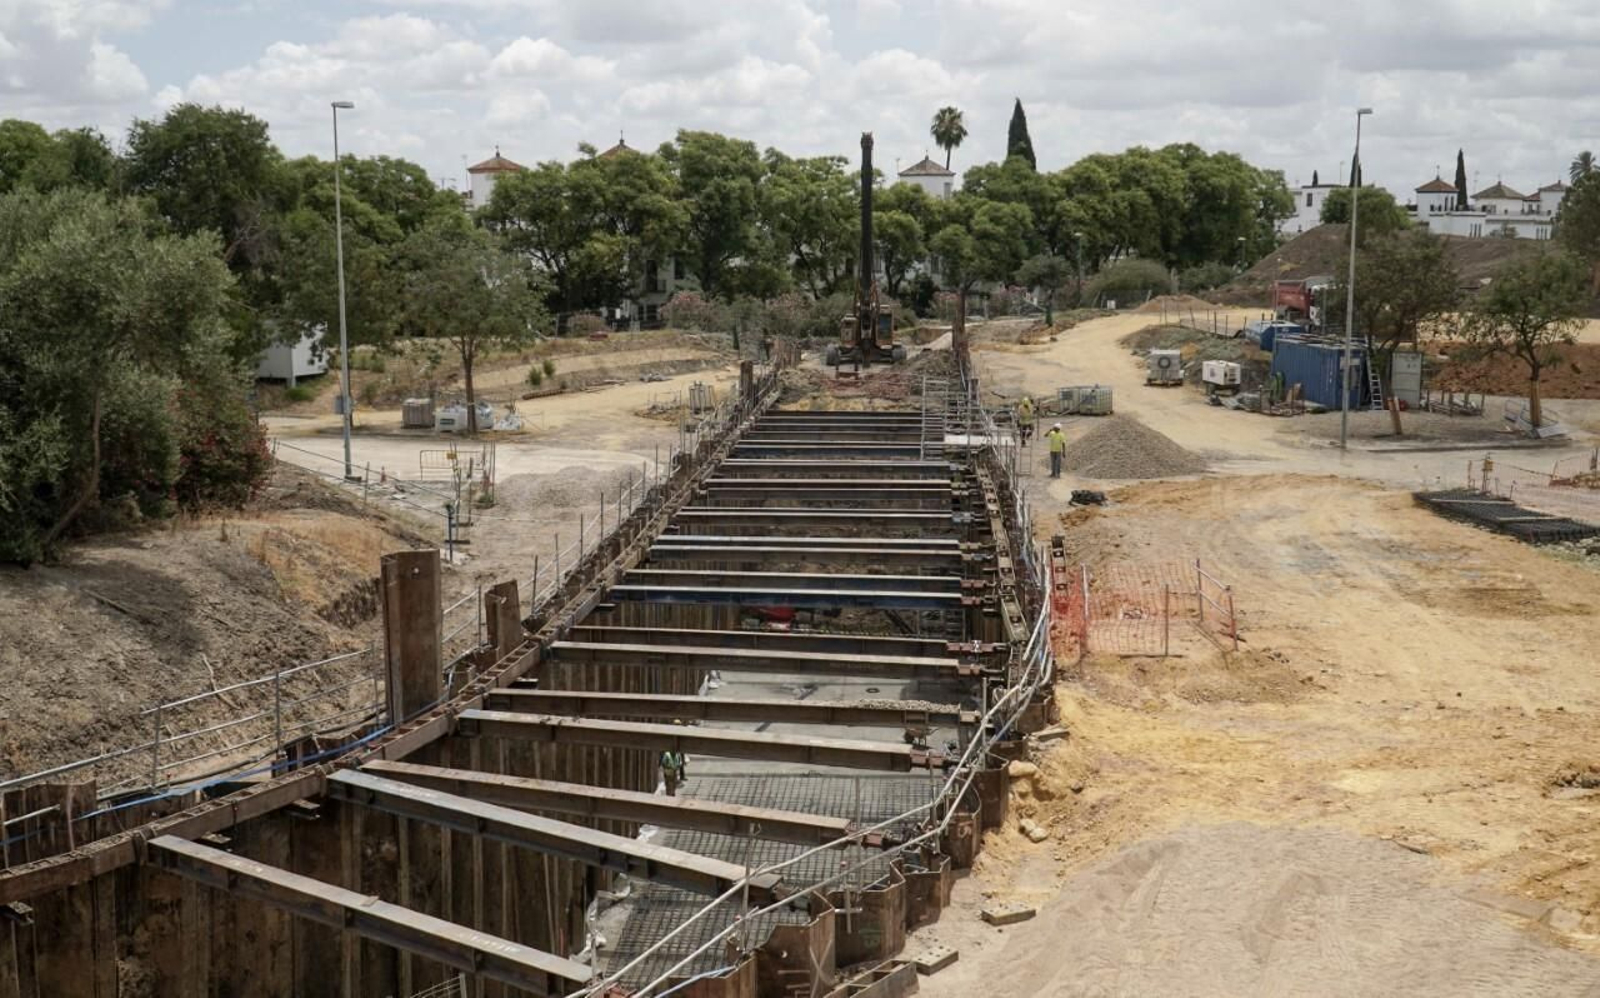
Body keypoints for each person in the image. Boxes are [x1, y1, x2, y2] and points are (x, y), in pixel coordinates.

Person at [661, 718, 688, 796]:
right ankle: (671, 792)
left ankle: (672, 791)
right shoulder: (668, 754)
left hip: (672, 765)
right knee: (670, 781)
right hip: (670, 768)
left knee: (671, 780)